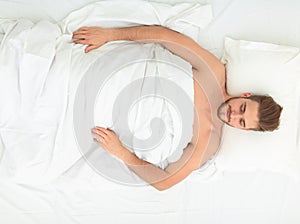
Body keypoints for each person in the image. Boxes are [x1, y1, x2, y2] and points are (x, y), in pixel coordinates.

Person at [72, 25, 283, 191]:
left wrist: (121, 152)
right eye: (243, 108)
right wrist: (110, 35)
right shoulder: (214, 73)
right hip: (120, 75)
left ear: (243, 129)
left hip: (107, 118)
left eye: (241, 121)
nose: (234, 114)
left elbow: (165, 182)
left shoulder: (209, 141)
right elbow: (165, 36)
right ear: (245, 95)